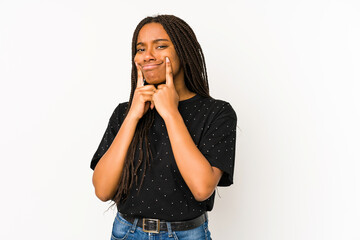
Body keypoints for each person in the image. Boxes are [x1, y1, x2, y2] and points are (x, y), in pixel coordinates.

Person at [90, 14, 237, 240]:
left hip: (187, 235)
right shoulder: (124, 112)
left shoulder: (217, 113)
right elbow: (102, 190)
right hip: (127, 233)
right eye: (140, 49)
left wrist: (171, 113)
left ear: (183, 51)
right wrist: (132, 117)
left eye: (160, 46)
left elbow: (202, 188)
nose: (148, 55)